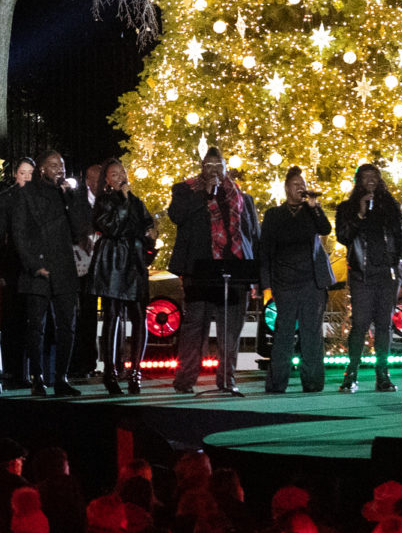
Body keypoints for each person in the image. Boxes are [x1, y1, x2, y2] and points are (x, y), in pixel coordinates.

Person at [165, 147, 258, 394]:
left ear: (226, 168)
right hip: (199, 271)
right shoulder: (185, 190)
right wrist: (205, 196)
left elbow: (252, 236)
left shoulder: (241, 197)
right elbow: (176, 216)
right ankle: (185, 380)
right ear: (202, 168)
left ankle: (227, 380)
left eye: (219, 165)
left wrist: (255, 276)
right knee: (195, 327)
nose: (214, 170)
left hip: (233, 271)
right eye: (209, 165)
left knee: (230, 330)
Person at [335, 162, 402, 393]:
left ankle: (382, 375)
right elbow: (343, 236)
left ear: (380, 181)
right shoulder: (347, 208)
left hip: (388, 275)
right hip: (362, 275)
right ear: (358, 182)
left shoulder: (392, 206)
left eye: (374, 177)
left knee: (384, 325)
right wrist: (359, 213)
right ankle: (351, 374)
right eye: (365, 177)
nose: (370, 181)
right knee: (359, 324)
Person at [12, 149, 84, 397]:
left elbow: (80, 229)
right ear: (42, 169)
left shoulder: (66, 194)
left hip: (64, 267)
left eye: (62, 165)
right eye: (54, 165)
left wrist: (70, 197)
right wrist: (33, 265)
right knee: (36, 327)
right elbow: (19, 234)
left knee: (68, 325)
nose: (59, 169)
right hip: (39, 268)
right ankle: (37, 378)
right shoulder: (27, 194)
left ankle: (61, 377)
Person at [261, 167, 334, 394]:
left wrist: (315, 208)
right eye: (295, 184)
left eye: (303, 184)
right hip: (284, 282)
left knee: (311, 333)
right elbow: (264, 252)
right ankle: (277, 384)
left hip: (311, 282)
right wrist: (266, 286)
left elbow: (325, 229)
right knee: (283, 333)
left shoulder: (311, 212)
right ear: (286, 188)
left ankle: (312, 383)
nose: (300, 188)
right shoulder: (274, 215)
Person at [88, 160, 156, 395]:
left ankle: (135, 371)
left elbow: (148, 224)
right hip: (114, 261)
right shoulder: (104, 202)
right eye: (113, 174)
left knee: (139, 314)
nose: (119, 178)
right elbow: (112, 227)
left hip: (135, 261)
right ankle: (110, 372)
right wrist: (125, 202)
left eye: (122, 173)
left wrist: (150, 235)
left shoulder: (137, 201)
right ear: (106, 180)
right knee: (113, 315)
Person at [0, 158, 36, 390]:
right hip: (12, 266)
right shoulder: (6, 198)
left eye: (30, 173)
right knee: (12, 319)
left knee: (33, 319)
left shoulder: (41, 196)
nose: (26, 177)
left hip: (34, 266)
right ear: (15, 175)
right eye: (22, 172)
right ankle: (11, 370)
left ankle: (31, 370)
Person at [68, 163, 103, 382]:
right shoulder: (76, 200)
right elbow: (70, 226)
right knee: (78, 314)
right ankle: (76, 363)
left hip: (101, 265)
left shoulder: (109, 199)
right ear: (88, 182)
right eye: (97, 180)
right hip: (79, 265)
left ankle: (91, 362)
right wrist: (83, 236)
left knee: (91, 314)